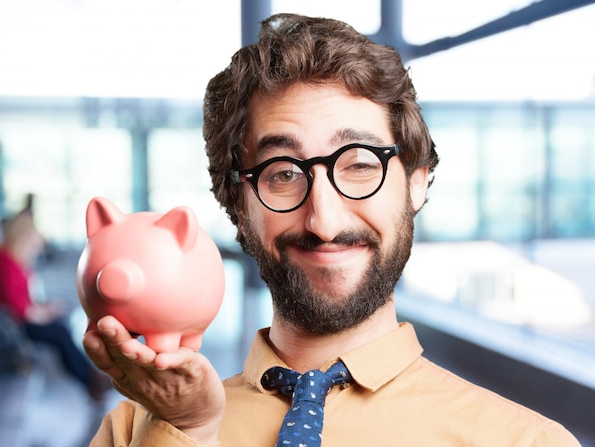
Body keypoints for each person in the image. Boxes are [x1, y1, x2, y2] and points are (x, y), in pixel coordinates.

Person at [83, 13, 580, 446]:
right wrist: (187, 433)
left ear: (416, 184)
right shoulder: (135, 433)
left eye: (361, 165)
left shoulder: (524, 442)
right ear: (236, 203)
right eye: (282, 173)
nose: (325, 221)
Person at [0, 208, 108, 401]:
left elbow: (23, 303)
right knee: (58, 332)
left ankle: (91, 378)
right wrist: (45, 313)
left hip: (7, 320)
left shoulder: (11, 261)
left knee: (60, 325)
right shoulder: (3, 261)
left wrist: (46, 310)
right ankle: (90, 380)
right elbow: (19, 310)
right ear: (23, 239)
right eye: (34, 245)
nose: (36, 250)